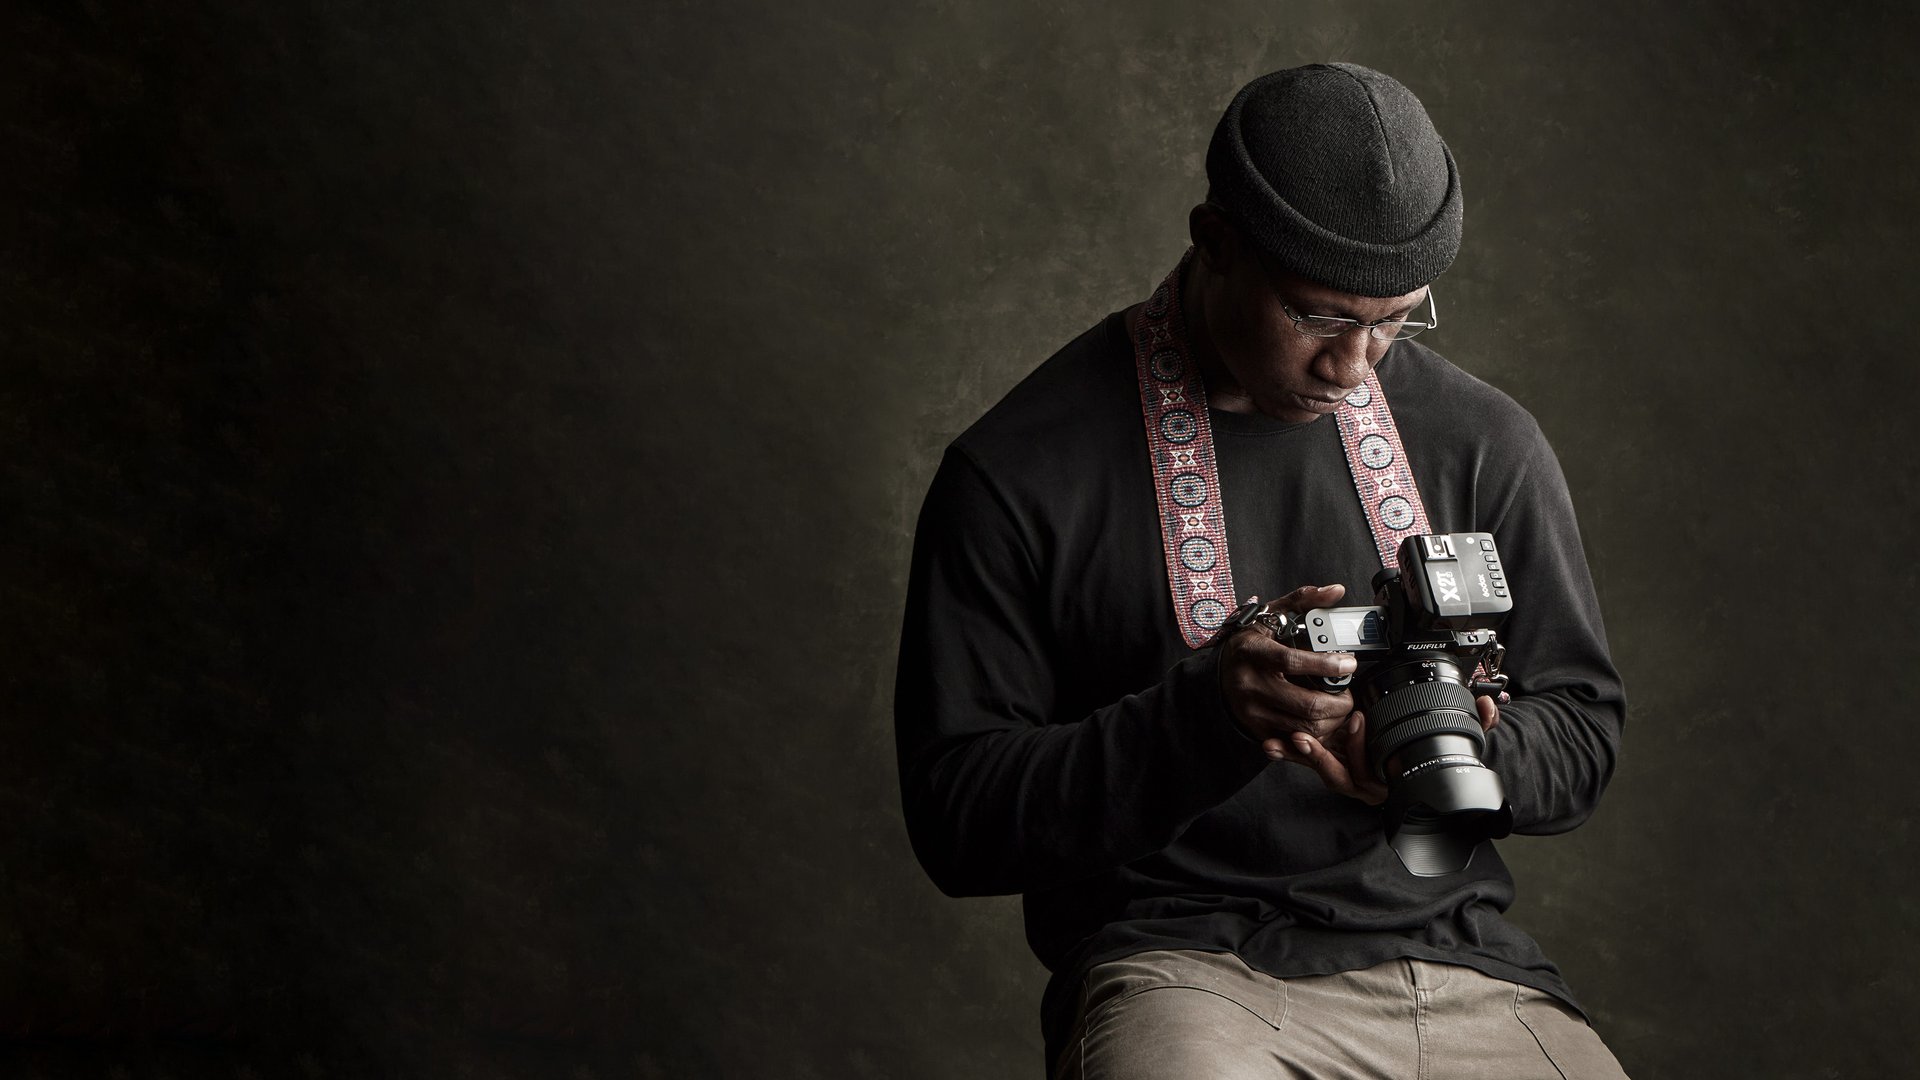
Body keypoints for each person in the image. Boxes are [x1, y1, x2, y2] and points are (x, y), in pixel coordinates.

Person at [893, 62, 1629, 1079]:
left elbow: (1584, 728)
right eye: (1321, 316)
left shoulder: (1480, 439)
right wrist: (1204, 719)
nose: (1356, 364)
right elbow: (957, 822)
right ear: (1215, 242)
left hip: (1458, 968)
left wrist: (1464, 753)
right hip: (1178, 970)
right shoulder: (1021, 470)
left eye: (1397, 319)